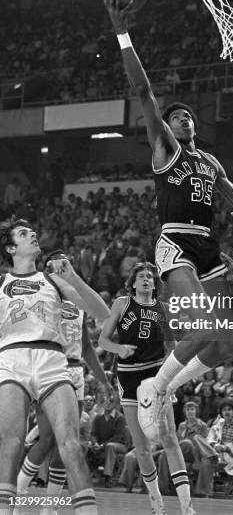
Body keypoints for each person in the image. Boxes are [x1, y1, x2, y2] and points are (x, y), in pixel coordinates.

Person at [102, 0, 233, 440]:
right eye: (177, 117)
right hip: (175, 240)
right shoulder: (166, 150)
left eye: (189, 117)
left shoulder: (212, 163)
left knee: (231, 341)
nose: (185, 120)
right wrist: (121, 33)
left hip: (208, 243)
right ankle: (155, 388)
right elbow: (144, 91)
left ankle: (165, 386)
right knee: (204, 326)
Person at [0, 218, 110, 515]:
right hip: (12, 359)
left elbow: (103, 313)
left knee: (71, 446)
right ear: (11, 248)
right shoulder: (1, 283)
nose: (33, 234)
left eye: (33, 231)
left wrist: (74, 278)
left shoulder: (54, 281)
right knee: (10, 444)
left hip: (52, 360)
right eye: (24, 234)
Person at [98, 262, 196, 515]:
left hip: (155, 375)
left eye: (150, 277)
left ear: (155, 284)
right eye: (141, 276)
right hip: (129, 377)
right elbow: (102, 340)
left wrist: (175, 375)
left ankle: (187, 507)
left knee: (169, 438)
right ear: (132, 283)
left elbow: (172, 345)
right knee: (140, 446)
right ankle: (156, 504)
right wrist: (118, 349)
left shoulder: (163, 308)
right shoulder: (122, 303)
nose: (146, 280)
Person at [17, 295, 108, 507]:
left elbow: (86, 348)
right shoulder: (42, 298)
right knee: (47, 438)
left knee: (66, 443)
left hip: (76, 371)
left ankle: (51, 507)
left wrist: (103, 379)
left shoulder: (80, 305)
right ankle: (18, 495)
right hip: (51, 367)